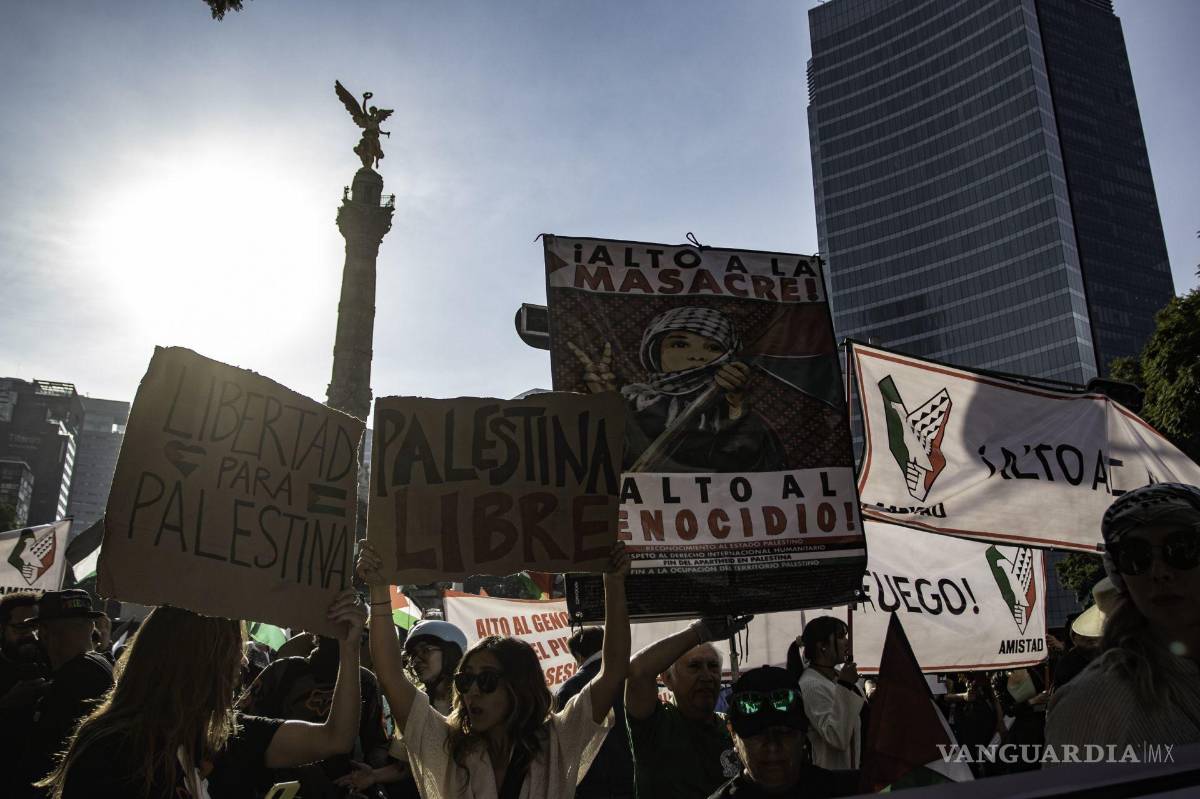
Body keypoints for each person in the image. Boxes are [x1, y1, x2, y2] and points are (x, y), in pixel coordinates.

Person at [358, 540, 630, 799]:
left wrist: (614, 584)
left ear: (519, 686)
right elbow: (391, 675)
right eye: (465, 681)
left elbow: (613, 672)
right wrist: (379, 589)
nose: (472, 692)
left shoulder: (557, 743)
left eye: (486, 680)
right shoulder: (447, 745)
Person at [36, 589, 366, 798]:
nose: (242, 662)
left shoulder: (228, 736)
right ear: (196, 664)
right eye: (231, 652)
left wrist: (349, 650)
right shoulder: (109, 748)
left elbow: (335, 738)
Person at [1046, 483, 1200, 752]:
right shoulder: (1090, 705)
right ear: (1120, 574)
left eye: (1182, 548)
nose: (1159, 571)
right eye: (1136, 556)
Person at [570, 306, 786, 472]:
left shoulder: (729, 407)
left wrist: (736, 404)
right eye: (680, 345)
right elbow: (599, 458)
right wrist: (606, 400)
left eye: (713, 348)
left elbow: (754, 462)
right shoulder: (635, 401)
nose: (696, 356)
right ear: (654, 352)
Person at [239, 627, 390, 798]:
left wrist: (369, 777)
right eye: (332, 632)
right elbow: (242, 729)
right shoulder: (283, 671)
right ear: (316, 632)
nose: (341, 640)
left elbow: (376, 743)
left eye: (354, 635)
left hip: (341, 788)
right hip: (284, 789)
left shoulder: (365, 682)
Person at [338, 619, 468, 796]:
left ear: (451, 653)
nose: (417, 660)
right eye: (413, 655)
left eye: (425, 651)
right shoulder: (416, 704)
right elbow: (405, 766)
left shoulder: (471, 703)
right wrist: (373, 776)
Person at [625, 615, 750, 798]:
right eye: (694, 666)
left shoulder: (731, 728)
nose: (707, 676)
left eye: (713, 666)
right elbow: (637, 671)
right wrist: (699, 632)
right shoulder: (656, 725)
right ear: (667, 679)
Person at [707, 666, 860, 799]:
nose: (772, 746)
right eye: (757, 734)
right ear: (733, 735)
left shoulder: (852, 791)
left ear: (804, 733)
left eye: (784, 732)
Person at [20, 590, 114, 797]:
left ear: (43, 632)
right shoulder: (101, 666)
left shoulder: (74, 680)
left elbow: (46, 754)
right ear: (92, 627)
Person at [555, 626, 634, 799]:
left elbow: (561, 748)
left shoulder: (569, 689)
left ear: (578, 655)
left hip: (593, 788)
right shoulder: (632, 677)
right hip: (634, 783)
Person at [796, 616, 864, 770]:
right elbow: (836, 737)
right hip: (835, 782)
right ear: (822, 646)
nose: (847, 641)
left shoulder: (837, 676)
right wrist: (846, 685)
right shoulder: (811, 686)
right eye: (840, 637)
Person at [0, 592, 49, 796]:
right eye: (21, 627)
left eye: (36, 626)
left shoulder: (53, 665)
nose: (31, 634)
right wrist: (6, 705)